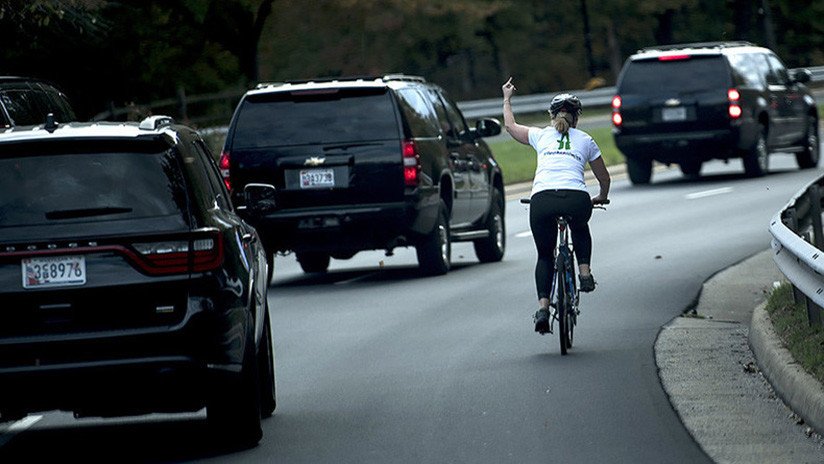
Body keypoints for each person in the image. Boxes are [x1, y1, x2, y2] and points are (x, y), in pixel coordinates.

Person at [501, 77, 610, 335]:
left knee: (544, 255)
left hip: (542, 200)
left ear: (552, 116)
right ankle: (585, 273)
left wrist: (506, 98)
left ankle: (542, 309)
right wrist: (601, 196)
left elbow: (510, 126)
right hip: (576, 198)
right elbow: (604, 177)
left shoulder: (540, 135)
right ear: (577, 118)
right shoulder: (586, 139)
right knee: (580, 226)